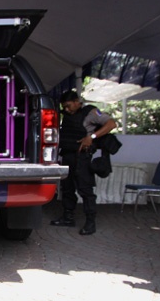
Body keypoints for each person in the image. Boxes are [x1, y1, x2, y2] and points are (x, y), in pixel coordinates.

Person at [50, 90, 117, 236]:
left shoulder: (91, 112)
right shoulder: (67, 116)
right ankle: (68, 217)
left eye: (68, 106)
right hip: (67, 155)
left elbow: (112, 123)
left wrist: (91, 137)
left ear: (76, 102)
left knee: (85, 190)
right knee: (67, 188)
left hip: (82, 157)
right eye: (64, 107)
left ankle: (90, 222)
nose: (66, 110)